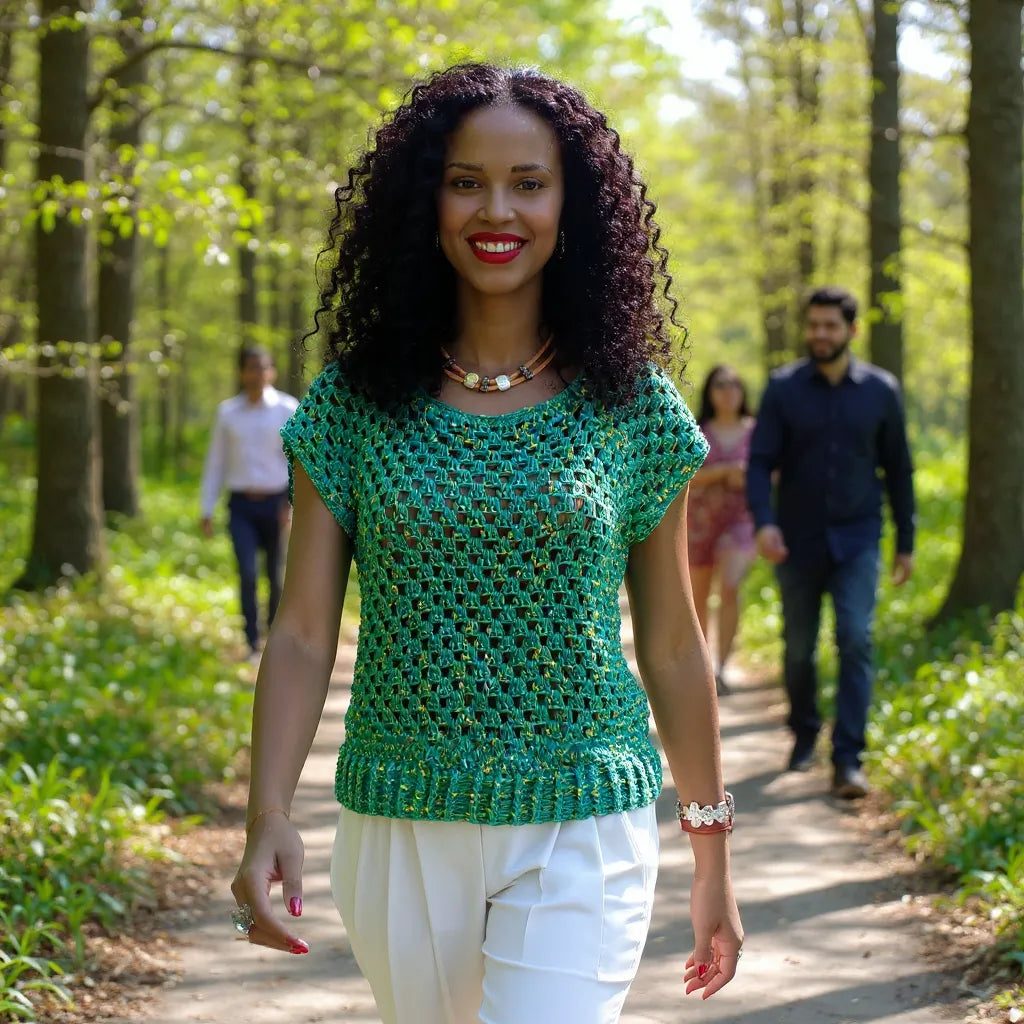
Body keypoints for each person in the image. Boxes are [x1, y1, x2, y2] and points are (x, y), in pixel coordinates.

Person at [229, 63, 743, 1023]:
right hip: (400, 820)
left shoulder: (632, 408)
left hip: (585, 817)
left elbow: (674, 642)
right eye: (465, 180)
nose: (494, 209)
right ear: (426, 198)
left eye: (527, 182)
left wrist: (712, 852)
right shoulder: (354, 405)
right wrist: (269, 814)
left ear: (570, 206)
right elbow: (302, 631)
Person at [746, 286, 915, 800]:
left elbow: (899, 467)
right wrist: (764, 522)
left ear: (851, 331)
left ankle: (849, 759)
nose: (820, 335)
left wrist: (906, 540)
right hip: (796, 542)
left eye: (830, 326)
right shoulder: (782, 388)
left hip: (860, 537)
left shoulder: (882, 391)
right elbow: (759, 463)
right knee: (798, 648)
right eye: (813, 325)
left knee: (856, 638)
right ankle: (803, 733)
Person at [200, 345, 298, 660]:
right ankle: (251, 642)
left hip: (277, 502)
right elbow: (215, 462)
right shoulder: (227, 413)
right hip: (241, 504)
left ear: (272, 371)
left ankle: (274, 641)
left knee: (275, 573)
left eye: (263, 367)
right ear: (241, 372)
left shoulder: (287, 408)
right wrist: (206, 507)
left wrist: (292, 505)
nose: (258, 374)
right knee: (247, 572)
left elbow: (299, 462)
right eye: (251, 367)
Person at [687, 365, 757, 696]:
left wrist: (749, 477)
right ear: (709, 392)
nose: (728, 390)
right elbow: (684, 475)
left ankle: (722, 667)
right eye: (720, 384)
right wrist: (723, 472)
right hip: (699, 522)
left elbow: (771, 472)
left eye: (734, 384)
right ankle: (701, 668)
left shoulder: (757, 431)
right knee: (697, 599)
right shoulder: (696, 430)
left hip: (741, 521)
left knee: (730, 586)